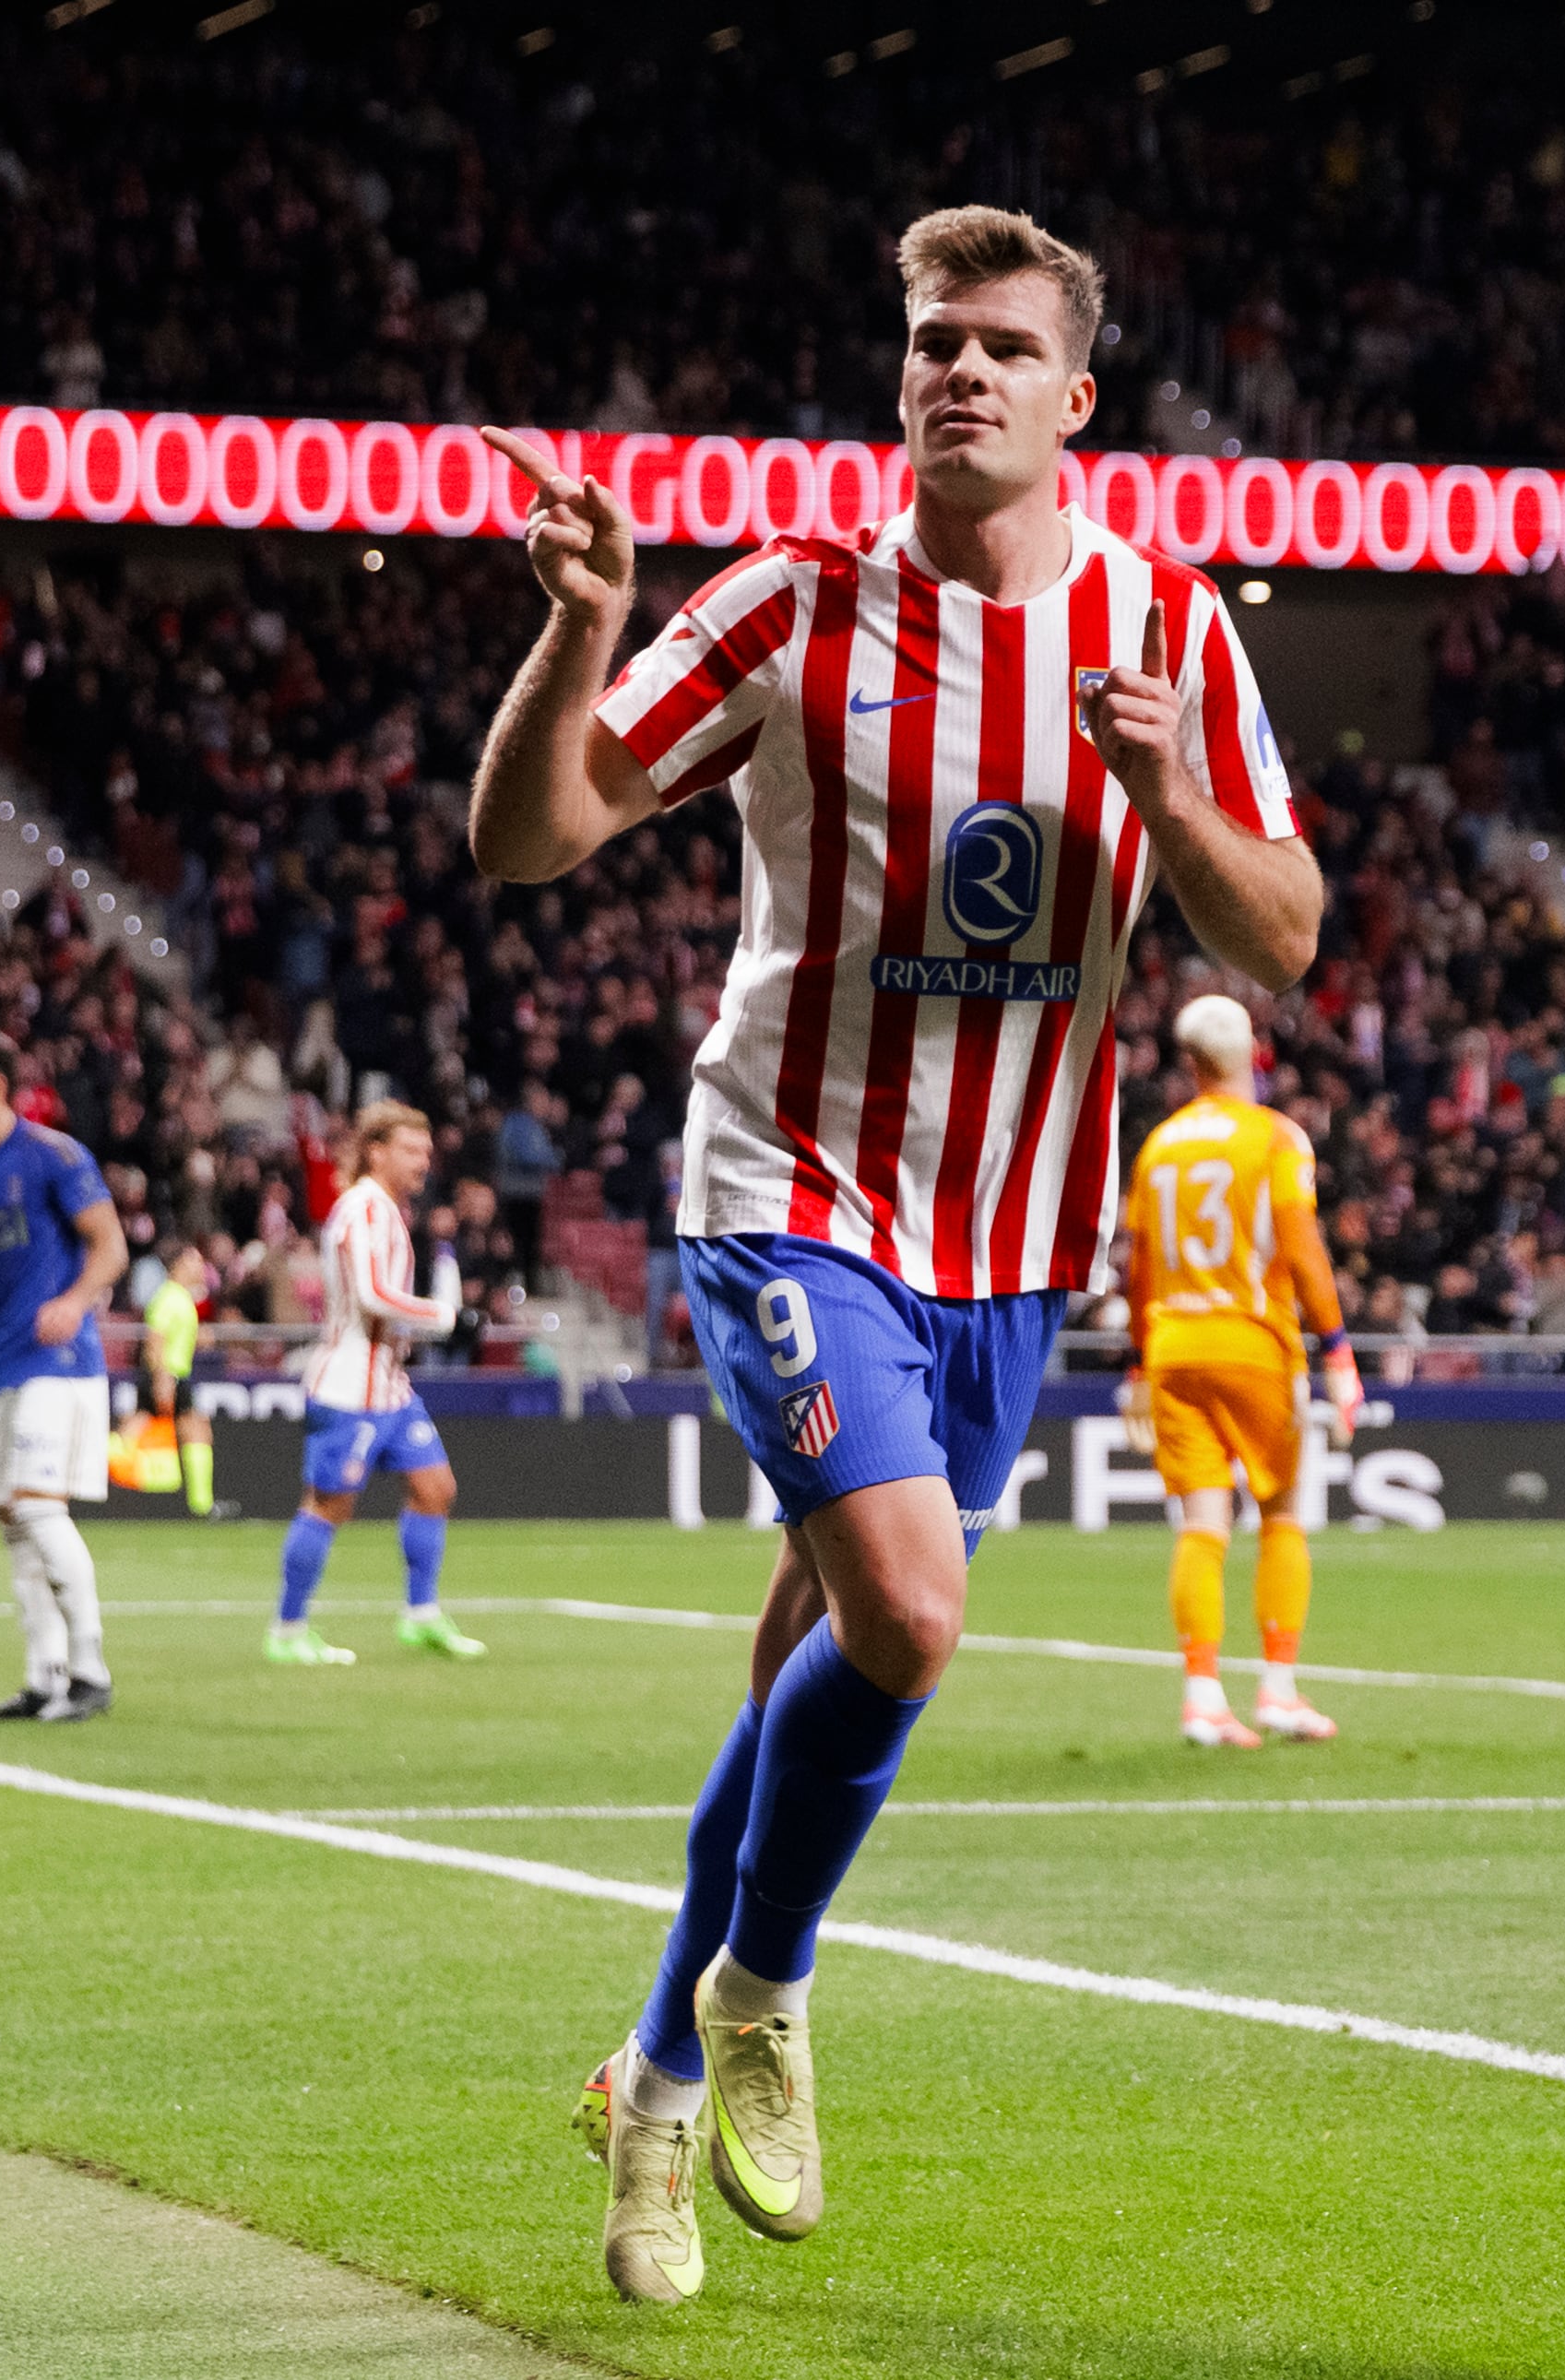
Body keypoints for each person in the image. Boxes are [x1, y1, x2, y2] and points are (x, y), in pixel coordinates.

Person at [472, 200, 1317, 2305]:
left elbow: (1286, 935)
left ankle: (656, 2074)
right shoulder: (788, 604)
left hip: (1015, 1242)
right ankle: (763, 1986)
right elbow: (531, 835)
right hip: (790, 1189)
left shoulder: (1170, 631)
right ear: (903, 375)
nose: (962, 372)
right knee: (915, 1613)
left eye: (1006, 347)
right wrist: (583, 626)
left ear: (1076, 396)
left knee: (814, 1653)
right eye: (936, 341)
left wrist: (1168, 795)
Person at [1117, 994, 1362, 1747]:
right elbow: (1300, 1242)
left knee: (1202, 1525)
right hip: (1254, 1344)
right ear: (1252, 1053)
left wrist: (1137, 1361)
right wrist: (1338, 1348)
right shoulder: (1276, 1137)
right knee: (1281, 1513)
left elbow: (1141, 1266)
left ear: (1190, 1064)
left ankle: (1202, 1698)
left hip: (1174, 1349)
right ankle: (1278, 1691)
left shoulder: (1160, 1145)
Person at [0, 1029, 130, 1723]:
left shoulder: (55, 1155)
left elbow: (111, 1245)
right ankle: (42, 1677)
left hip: (57, 1363)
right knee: (15, 1524)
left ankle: (91, 1670)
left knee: (41, 1509)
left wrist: (74, 1302)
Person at [274, 1102, 480, 1665]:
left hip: (389, 1383)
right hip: (349, 1385)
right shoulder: (363, 1208)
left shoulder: (388, 1209)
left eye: (427, 1151)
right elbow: (371, 1295)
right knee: (329, 1505)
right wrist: (445, 1317)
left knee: (435, 1488)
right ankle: (287, 1629)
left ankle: (421, 1616)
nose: (423, 1162)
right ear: (376, 1151)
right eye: (411, 1150)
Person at [139, 1241, 221, 1519]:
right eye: (194, 1260)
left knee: (197, 1432)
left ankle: (202, 1506)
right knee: (138, 1434)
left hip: (176, 1375)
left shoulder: (180, 1297)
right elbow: (155, 1341)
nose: (201, 1267)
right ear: (178, 1265)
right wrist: (162, 1379)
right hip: (167, 1375)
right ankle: (201, 1506)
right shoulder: (169, 1298)